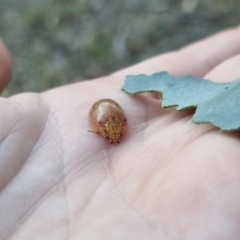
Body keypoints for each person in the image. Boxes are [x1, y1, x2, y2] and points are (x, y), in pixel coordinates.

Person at [0, 27, 240, 240]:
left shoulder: (114, 127)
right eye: (112, 137)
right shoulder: (112, 126)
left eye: (114, 137)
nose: (115, 140)